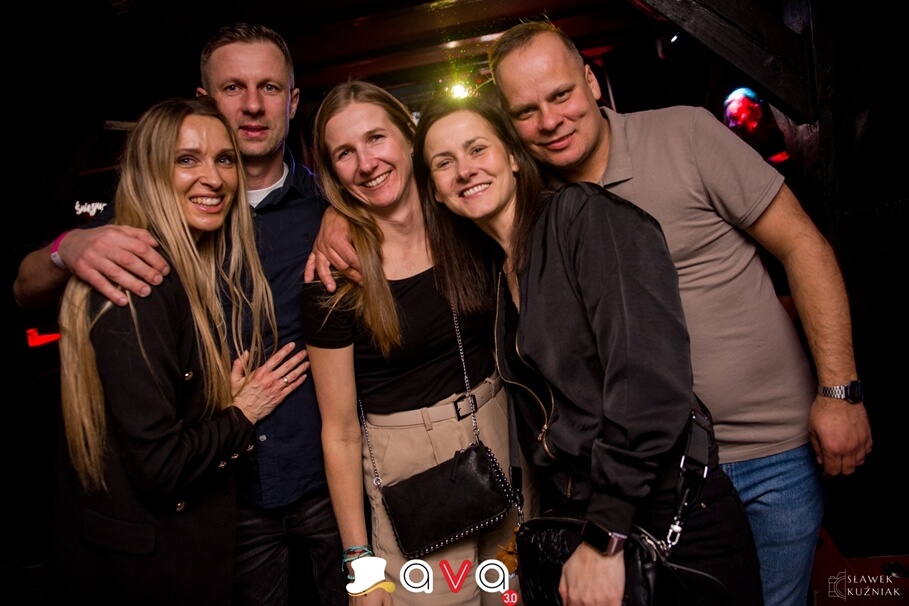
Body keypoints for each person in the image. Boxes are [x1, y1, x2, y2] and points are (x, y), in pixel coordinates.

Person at [485, 21, 872, 606]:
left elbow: (802, 244)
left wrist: (839, 390)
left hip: (769, 452)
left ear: (590, 81)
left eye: (561, 95)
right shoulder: (531, 202)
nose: (550, 120)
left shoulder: (684, 134)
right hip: (652, 480)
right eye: (526, 111)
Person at [14, 23, 346, 606]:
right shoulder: (152, 220)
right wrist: (69, 246)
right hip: (226, 500)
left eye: (270, 87)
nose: (252, 104)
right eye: (233, 87)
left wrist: (345, 212)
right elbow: (25, 289)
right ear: (205, 99)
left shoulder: (329, 205)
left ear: (293, 101)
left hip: (325, 482)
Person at [412, 94, 763, 606]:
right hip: (588, 516)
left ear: (513, 157)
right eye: (444, 163)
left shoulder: (585, 217)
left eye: (477, 149)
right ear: (436, 193)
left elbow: (648, 384)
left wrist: (604, 536)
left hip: (663, 516)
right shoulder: (498, 273)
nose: (465, 170)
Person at [51, 97, 309, 604]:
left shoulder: (186, 266)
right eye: (186, 159)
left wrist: (212, 404)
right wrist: (243, 412)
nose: (213, 178)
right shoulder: (139, 279)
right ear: (151, 172)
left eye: (224, 159)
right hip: (145, 570)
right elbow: (161, 467)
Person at [301, 81, 516, 606]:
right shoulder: (334, 279)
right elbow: (340, 433)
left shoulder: (467, 219)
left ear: (408, 137)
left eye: (376, 138)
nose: (366, 163)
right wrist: (361, 567)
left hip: (500, 440)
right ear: (331, 172)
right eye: (344, 153)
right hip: (412, 477)